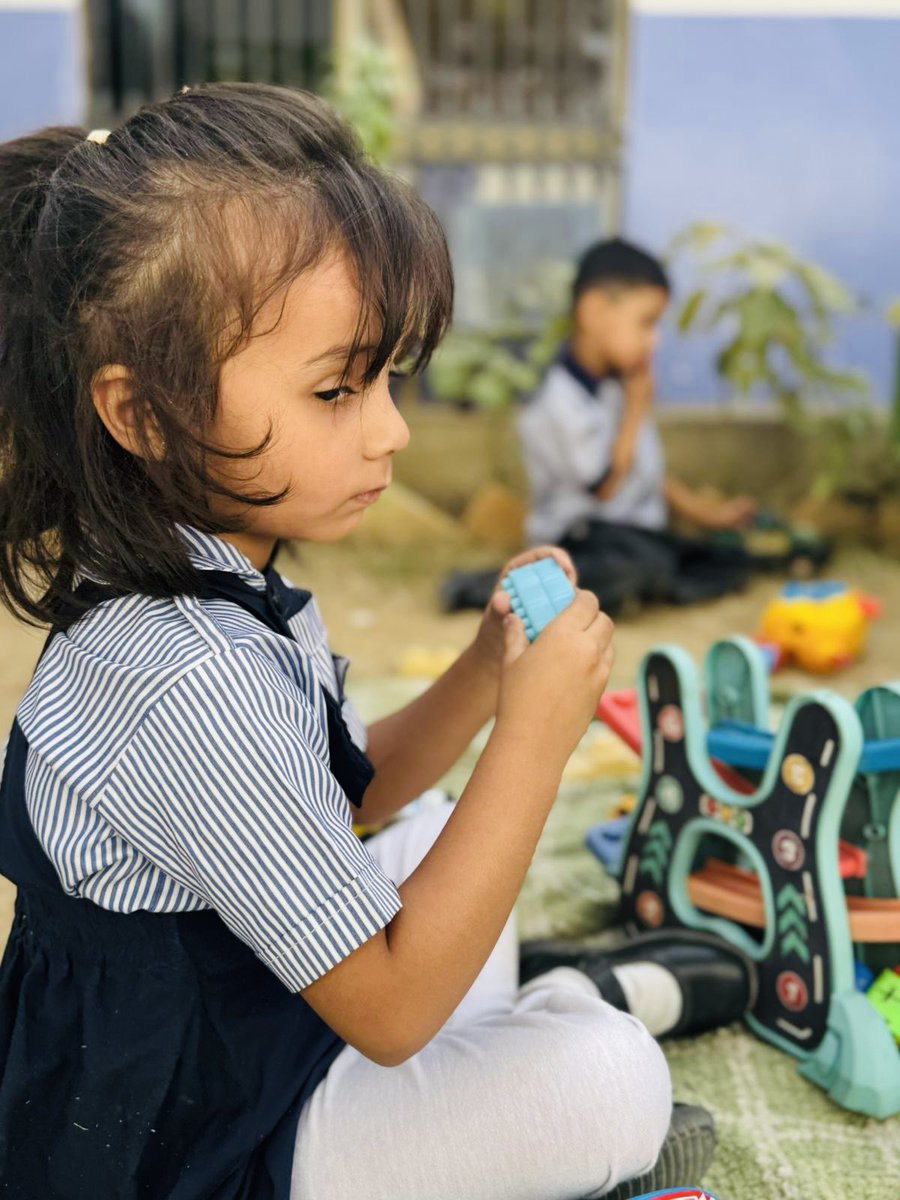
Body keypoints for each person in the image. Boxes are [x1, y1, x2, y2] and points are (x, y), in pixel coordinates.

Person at [0, 87, 752, 1200]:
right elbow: (394, 1015)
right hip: (205, 1138)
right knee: (608, 1081)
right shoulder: (184, 678)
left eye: (390, 377)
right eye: (337, 389)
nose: (392, 429)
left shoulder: (206, 579)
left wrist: (488, 672)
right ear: (142, 414)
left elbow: (348, 797)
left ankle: (536, 1023)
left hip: (258, 1024)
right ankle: (574, 1014)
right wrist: (535, 742)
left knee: (435, 835)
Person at [517, 237, 758, 616]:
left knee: (729, 558)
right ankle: (501, 589)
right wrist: (635, 412)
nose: (655, 340)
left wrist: (705, 515)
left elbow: (645, 474)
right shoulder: (557, 401)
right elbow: (607, 485)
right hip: (582, 539)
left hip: (635, 538)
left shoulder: (620, 385)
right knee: (635, 567)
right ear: (594, 311)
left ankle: (653, 583)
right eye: (646, 323)